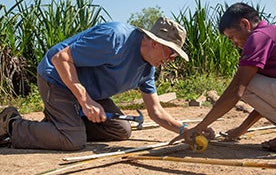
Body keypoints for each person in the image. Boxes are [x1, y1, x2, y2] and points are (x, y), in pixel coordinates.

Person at [0, 17, 206, 151]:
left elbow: (156, 112)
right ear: (155, 42)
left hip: (88, 90)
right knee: (73, 140)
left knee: (121, 131)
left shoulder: (147, 70)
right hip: (57, 78)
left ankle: (60, 124)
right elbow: (60, 59)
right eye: (171, 53)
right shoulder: (115, 38)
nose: (171, 60)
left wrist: (185, 130)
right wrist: (85, 100)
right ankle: (11, 124)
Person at [170, 3, 276, 152]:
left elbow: (237, 90)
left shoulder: (258, 38)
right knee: (251, 82)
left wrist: (198, 128)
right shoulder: (273, 33)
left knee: (246, 83)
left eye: (232, 37)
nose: (235, 44)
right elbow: (271, 102)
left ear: (244, 24)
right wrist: (241, 129)